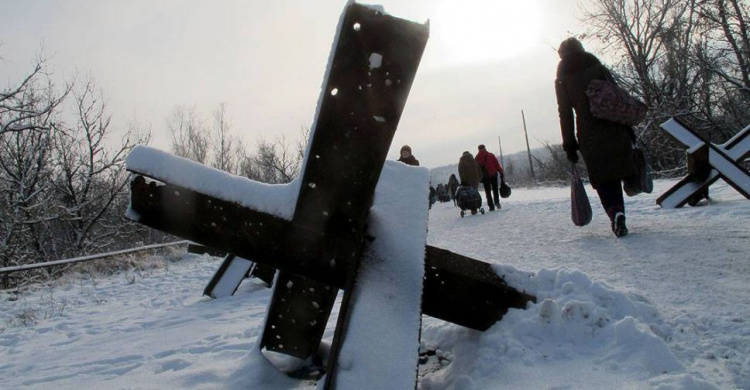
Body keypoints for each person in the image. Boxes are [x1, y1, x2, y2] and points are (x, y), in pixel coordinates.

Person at [554, 37, 636, 237]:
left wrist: (570, 145)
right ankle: (622, 205)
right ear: (581, 49)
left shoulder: (563, 79)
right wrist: (627, 125)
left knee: (603, 177)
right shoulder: (596, 66)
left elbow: (565, 113)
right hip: (613, 124)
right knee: (618, 170)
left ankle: (614, 212)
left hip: (589, 133)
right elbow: (617, 96)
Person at [475, 144, 504, 211]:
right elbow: (496, 164)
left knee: (487, 192)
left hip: (485, 177)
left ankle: (491, 206)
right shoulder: (491, 155)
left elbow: (477, 169)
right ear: (485, 148)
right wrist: (501, 172)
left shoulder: (477, 158)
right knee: (495, 190)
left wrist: (478, 178)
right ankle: (497, 203)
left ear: (478, 149)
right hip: (493, 175)